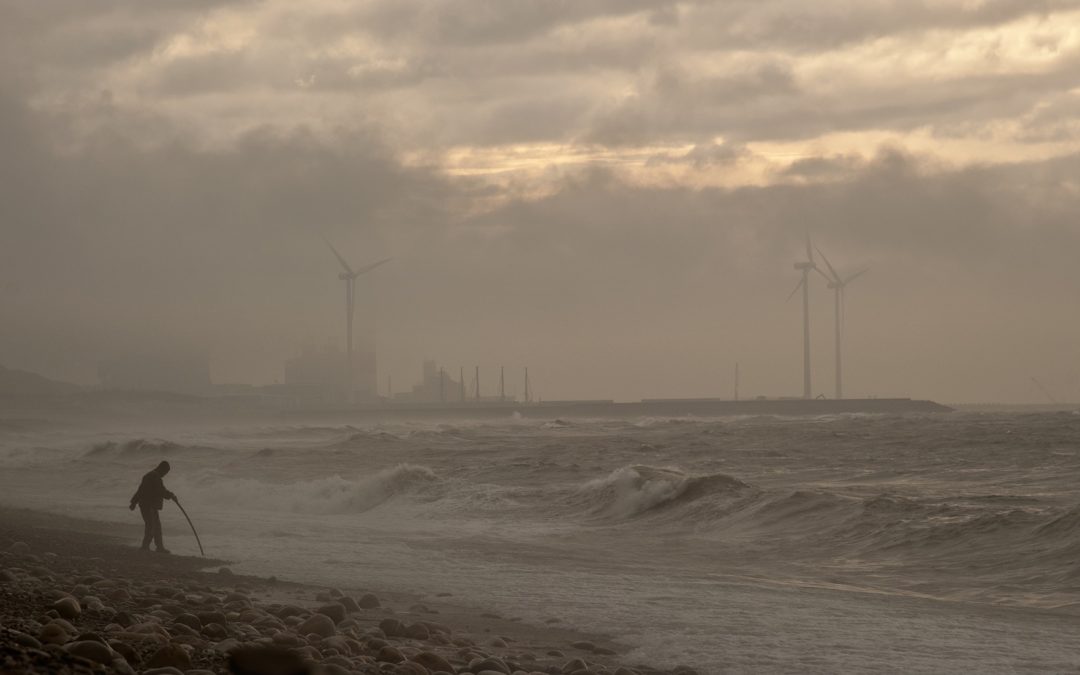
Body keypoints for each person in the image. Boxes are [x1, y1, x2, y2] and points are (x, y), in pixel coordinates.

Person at [129, 460, 175, 553]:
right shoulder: (155, 477)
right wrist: (171, 495)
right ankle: (145, 547)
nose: (165, 474)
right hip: (147, 505)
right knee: (151, 526)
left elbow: (140, 490)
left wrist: (133, 502)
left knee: (156, 526)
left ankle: (159, 547)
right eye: (165, 472)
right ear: (161, 469)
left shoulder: (150, 475)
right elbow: (160, 491)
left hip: (150, 505)